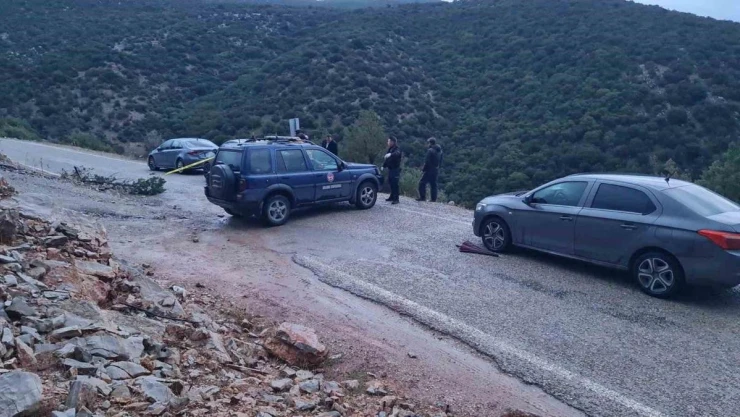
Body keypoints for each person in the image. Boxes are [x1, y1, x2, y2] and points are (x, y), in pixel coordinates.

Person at [417, 137, 443, 202]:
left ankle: (422, 197)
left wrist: (423, 169)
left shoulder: (430, 150)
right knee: (433, 184)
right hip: (436, 170)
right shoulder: (440, 151)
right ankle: (433, 199)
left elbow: (427, 161)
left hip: (429, 170)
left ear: (430, 143)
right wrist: (438, 168)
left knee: (422, 183)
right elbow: (441, 162)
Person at [382, 136, 402, 204]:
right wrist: (383, 166)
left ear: (392, 142)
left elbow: (397, 154)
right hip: (390, 169)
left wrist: (391, 154)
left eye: (389, 141)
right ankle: (392, 196)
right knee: (390, 183)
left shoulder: (397, 149)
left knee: (395, 184)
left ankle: (396, 199)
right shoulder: (390, 149)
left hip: (395, 169)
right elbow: (387, 159)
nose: (388, 142)